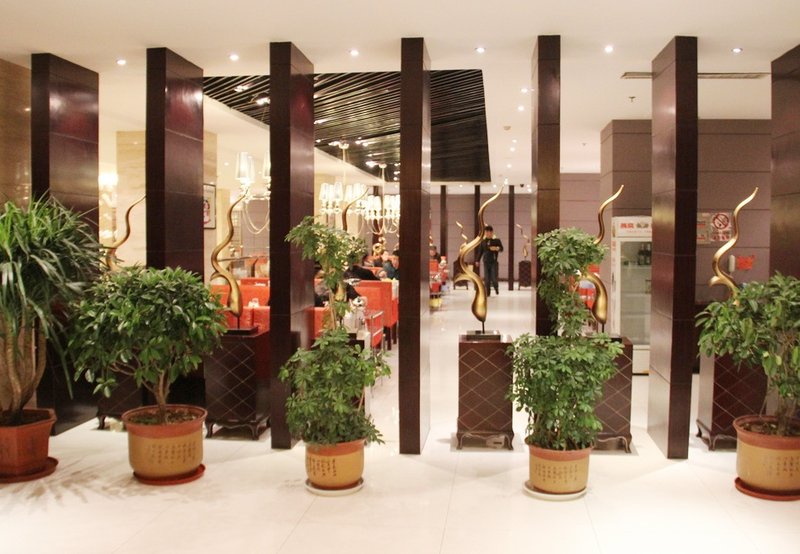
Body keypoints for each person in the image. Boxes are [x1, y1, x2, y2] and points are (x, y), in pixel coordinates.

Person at [475, 225, 503, 295]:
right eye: (487, 232)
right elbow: (480, 252)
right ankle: (488, 292)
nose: (488, 234)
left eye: (490, 232)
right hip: (485, 261)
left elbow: (501, 249)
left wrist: (496, 248)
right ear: (485, 233)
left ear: (492, 232)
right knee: (487, 279)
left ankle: (496, 288)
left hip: (493, 261)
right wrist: (477, 260)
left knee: (494, 278)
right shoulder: (483, 241)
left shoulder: (496, 240)